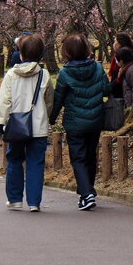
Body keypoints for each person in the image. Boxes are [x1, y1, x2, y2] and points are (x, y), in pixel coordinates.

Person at [49, 34, 111, 211]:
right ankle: (89, 190)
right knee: (90, 156)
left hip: (75, 122)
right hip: (95, 120)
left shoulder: (65, 73)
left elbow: (58, 98)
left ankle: (86, 194)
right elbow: (107, 89)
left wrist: (52, 118)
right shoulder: (98, 68)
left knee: (78, 158)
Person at [0, 35, 53, 212]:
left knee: (14, 159)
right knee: (36, 163)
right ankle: (34, 202)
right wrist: (47, 117)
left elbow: (5, 101)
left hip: (17, 126)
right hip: (39, 127)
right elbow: (50, 100)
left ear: (20, 54)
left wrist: (0, 122)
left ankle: (15, 199)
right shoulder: (44, 74)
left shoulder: (11, 75)